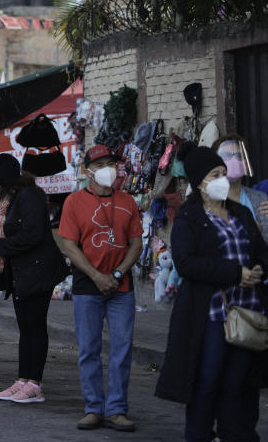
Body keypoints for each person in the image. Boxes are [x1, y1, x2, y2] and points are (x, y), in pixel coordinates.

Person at [156, 144, 268, 442]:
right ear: (200, 182)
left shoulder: (241, 213)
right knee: (207, 382)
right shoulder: (189, 218)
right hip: (211, 314)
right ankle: (200, 434)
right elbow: (187, 263)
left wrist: (258, 269)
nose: (223, 179)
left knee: (238, 383)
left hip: (246, 311)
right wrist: (234, 273)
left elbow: (259, 252)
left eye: (223, 173)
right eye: (216, 174)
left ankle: (234, 434)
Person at [57, 145, 143, 432]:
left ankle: (116, 409)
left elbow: (136, 244)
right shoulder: (73, 202)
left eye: (112, 163)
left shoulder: (128, 201)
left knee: (122, 349)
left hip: (121, 286)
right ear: (88, 171)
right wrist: (96, 276)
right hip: (87, 286)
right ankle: (94, 407)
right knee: (89, 350)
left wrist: (117, 274)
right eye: (102, 164)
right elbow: (68, 245)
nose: (110, 169)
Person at [0, 153, 66, 404]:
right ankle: (22, 380)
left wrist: (0, 245)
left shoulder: (30, 196)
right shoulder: (11, 197)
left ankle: (35, 384)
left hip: (37, 270)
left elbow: (33, 234)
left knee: (35, 327)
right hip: (21, 271)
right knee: (25, 328)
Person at [212, 134, 268, 239]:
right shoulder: (204, 202)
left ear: (246, 163)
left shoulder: (260, 199)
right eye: (227, 156)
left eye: (239, 156)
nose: (234, 160)